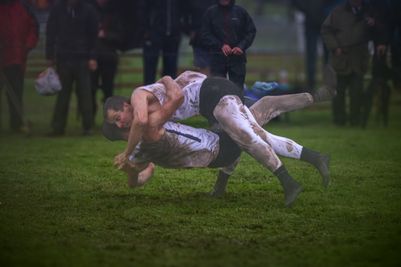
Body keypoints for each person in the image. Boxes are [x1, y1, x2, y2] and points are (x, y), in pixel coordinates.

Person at [103, 67, 337, 205]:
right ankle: (315, 111)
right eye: (117, 123)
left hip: (214, 99)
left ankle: (290, 181)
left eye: (118, 116)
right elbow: (178, 91)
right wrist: (168, 79)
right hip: (214, 108)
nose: (123, 121)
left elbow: (167, 103)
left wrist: (129, 161)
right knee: (260, 117)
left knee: (251, 135)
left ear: (125, 105)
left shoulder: (140, 109)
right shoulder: (145, 128)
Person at [321, 0, 387, 126]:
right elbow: (326, 30)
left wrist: (374, 24)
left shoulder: (370, 11)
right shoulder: (338, 12)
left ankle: (355, 120)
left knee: (357, 91)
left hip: (359, 57)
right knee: (338, 92)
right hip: (340, 57)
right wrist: (335, 47)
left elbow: (381, 30)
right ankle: (339, 120)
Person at [46, 0, 98, 136]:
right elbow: (50, 32)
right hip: (64, 57)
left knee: (85, 94)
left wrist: (92, 56)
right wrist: (50, 55)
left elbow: (93, 35)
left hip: (82, 58)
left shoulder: (88, 10)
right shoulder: (57, 9)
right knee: (63, 95)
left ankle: (88, 126)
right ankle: (58, 127)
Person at [0, 0, 38, 133]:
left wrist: (27, 46)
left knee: (15, 93)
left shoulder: (24, 7)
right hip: (4, 55)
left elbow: (33, 29)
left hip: (16, 59)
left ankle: (16, 123)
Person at [200, 0, 256, 90]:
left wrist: (240, 46)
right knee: (217, 89)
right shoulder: (210, 13)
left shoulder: (241, 12)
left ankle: (237, 104)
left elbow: (251, 31)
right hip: (217, 57)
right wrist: (221, 45)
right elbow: (205, 34)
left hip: (237, 58)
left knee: (237, 90)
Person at [90, 0, 123, 122]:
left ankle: (110, 119)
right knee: (90, 89)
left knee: (108, 90)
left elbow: (120, 37)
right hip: (93, 58)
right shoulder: (90, 11)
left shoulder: (114, 14)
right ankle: (90, 118)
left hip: (109, 58)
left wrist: (106, 35)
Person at [141, 0, 185, 84]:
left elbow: (184, 9)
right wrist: (145, 30)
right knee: (150, 70)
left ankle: (169, 95)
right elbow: (142, 9)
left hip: (173, 34)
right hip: (153, 33)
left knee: (171, 71)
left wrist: (181, 27)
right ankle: (148, 95)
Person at [185, 0, 215, 75]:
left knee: (218, 69)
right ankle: (205, 85)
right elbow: (184, 14)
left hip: (217, 39)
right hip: (199, 39)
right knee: (203, 70)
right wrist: (189, 31)